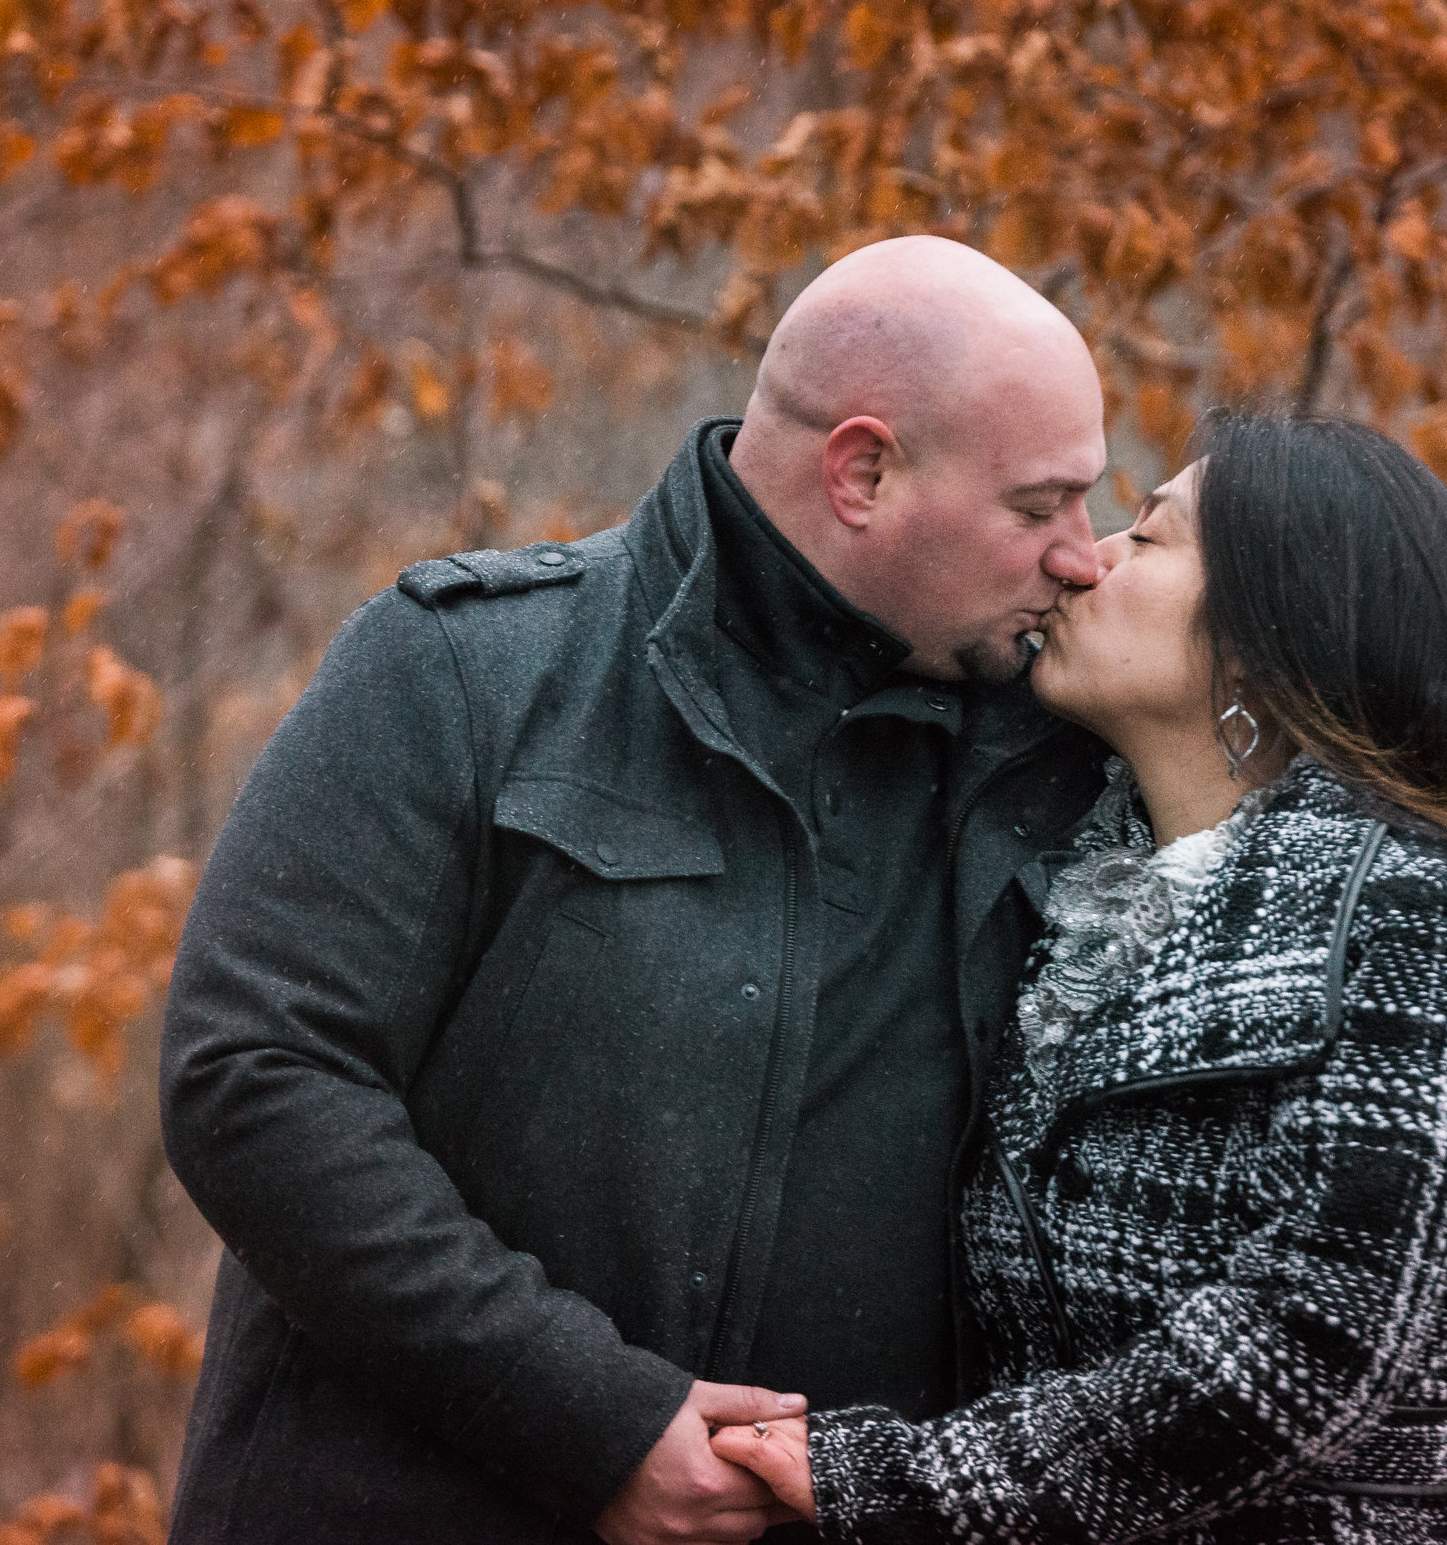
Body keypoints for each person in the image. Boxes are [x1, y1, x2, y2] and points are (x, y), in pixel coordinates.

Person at [156, 236, 1115, 1544]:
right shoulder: (470, 674)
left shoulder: (1065, 759)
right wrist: (588, 1421)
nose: (1084, 557)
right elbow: (255, 1076)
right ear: (864, 472)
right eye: (1038, 507)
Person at [711, 410, 1447, 1542]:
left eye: (1146, 538)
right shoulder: (1072, 908)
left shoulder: (1412, 912)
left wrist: (897, 1486)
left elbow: (1316, 1345)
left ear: (1258, 636)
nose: (1086, 562)